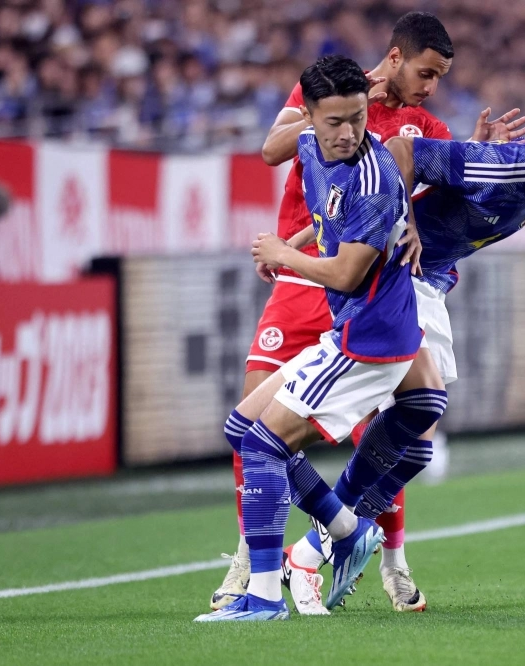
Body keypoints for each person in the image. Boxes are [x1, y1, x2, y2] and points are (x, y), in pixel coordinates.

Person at [212, 10, 525, 615]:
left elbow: (432, 194)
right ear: (394, 58)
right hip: (306, 273)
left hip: (358, 277)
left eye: (439, 76)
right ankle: (261, 555)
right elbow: (273, 148)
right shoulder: (330, 92)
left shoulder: (421, 125)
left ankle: (389, 559)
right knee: (253, 424)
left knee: (381, 428)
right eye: (426, 72)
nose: (432, 86)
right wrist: (338, 111)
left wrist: (475, 160)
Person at [194, 55, 439, 623]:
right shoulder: (310, 147)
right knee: (241, 427)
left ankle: (260, 596)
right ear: (310, 118)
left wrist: (285, 255)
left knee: (261, 443)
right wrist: (301, 239)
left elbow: (350, 271)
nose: (349, 132)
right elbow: (328, 215)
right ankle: (346, 530)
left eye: (358, 118)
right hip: (351, 329)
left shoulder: (374, 177)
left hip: (369, 341)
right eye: (334, 121)